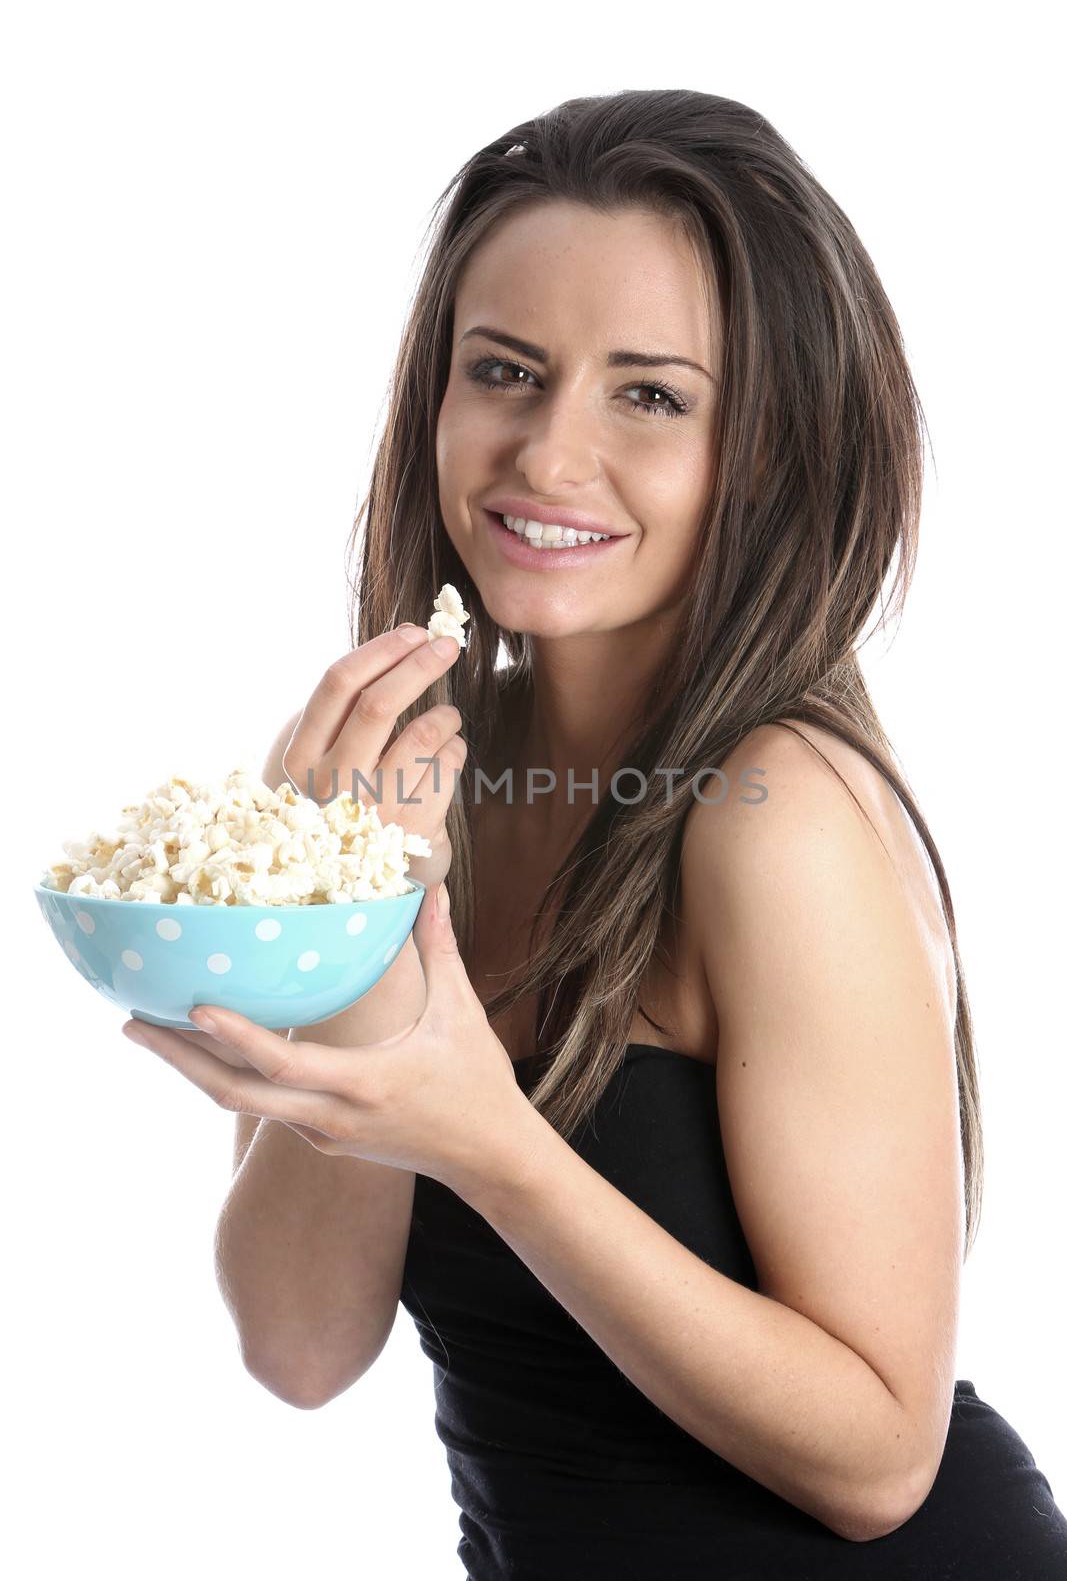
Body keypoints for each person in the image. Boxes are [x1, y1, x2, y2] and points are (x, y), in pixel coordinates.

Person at [126, 91, 1067, 1577]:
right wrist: (366, 926)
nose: (545, 457)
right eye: (505, 371)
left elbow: (882, 1463)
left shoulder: (779, 819)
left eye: (650, 395)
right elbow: (300, 1347)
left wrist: (493, 1145)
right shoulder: (406, 788)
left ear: (767, 451)